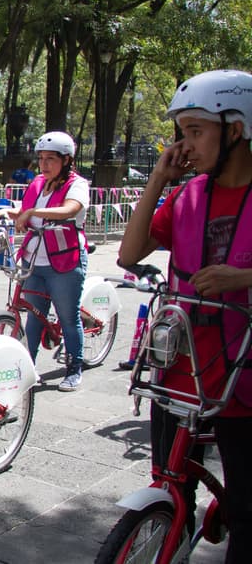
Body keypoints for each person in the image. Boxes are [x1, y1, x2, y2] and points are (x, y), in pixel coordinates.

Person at [118, 69, 252, 564]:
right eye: (183, 132)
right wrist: (158, 179)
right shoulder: (187, 196)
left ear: (235, 130)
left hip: (242, 377)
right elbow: (130, 253)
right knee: (172, 482)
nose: (186, 145)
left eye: (197, 131)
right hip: (182, 370)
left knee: (246, 514)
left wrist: (241, 279)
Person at [0, 131, 90, 391]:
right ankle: (27, 370)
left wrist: (32, 212)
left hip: (64, 261)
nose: (44, 164)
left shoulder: (76, 185)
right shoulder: (37, 183)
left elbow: (70, 209)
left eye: (51, 159)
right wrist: (6, 212)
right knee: (34, 316)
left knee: (68, 317)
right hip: (34, 260)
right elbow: (24, 213)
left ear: (67, 160)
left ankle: (74, 368)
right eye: (41, 158)